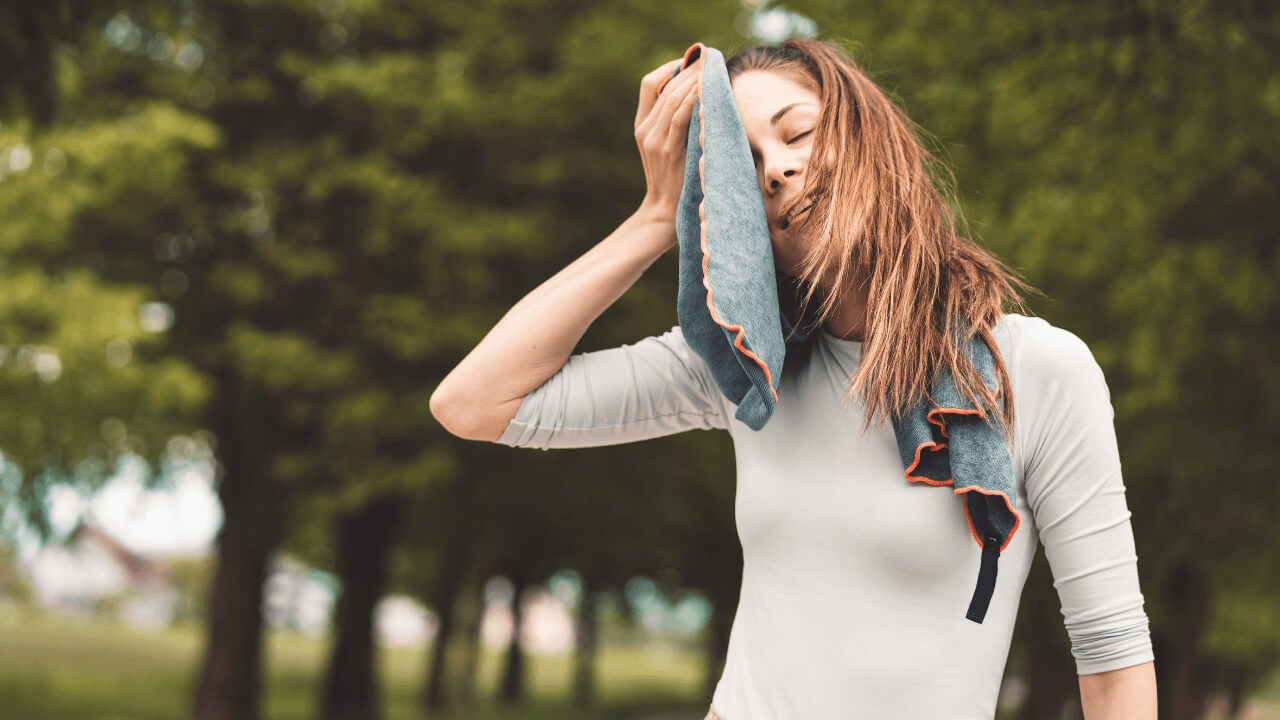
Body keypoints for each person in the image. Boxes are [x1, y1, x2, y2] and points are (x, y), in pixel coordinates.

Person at [430, 38, 1157, 720]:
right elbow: (475, 403)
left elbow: (1114, 655)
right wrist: (657, 216)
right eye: (745, 166)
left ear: (870, 142)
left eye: (796, 133)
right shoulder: (745, 375)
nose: (775, 169)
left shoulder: (1035, 372)